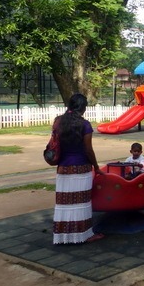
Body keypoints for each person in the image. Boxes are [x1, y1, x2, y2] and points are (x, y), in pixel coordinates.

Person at [52, 93, 104, 245]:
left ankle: (62, 235)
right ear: (83, 108)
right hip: (81, 168)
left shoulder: (58, 122)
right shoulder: (84, 125)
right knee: (81, 202)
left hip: (63, 169)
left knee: (64, 202)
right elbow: (88, 149)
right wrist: (96, 166)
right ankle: (84, 235)